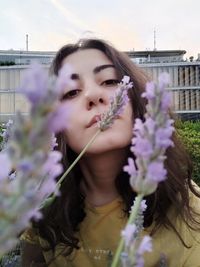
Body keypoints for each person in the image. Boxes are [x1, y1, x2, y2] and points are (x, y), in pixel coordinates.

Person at [20, 38, 200, 267]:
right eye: (72, 92)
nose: (94, 96)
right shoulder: (42, 212)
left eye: (109, 81)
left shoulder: (188, 209)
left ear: (138, 100)